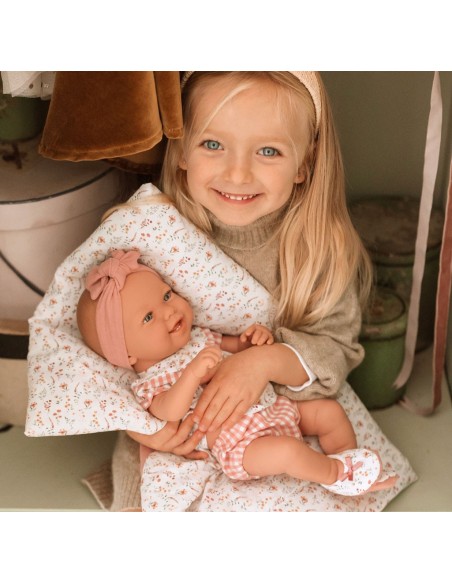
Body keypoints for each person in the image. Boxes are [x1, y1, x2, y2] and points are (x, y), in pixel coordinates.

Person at [95, 71, 386, 510]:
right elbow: (107, 356)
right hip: (182, 431)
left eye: (268, 151)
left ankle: (344, 480)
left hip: (281, 413)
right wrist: (145, 429)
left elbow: (336, 347)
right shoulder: (151, 236)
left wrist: (261, 362)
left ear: (305, 163)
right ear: (182, 152)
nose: (237, 173)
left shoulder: (317, 249)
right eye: (213, 144)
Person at [78, 250, 395, 495]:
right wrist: (190, 376)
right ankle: (334, 474)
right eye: (148, 317)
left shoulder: (199, 337)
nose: (169, 311)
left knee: (329, 411)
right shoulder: (150, 383)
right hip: (240, 445)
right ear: (127, 354)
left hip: (274, 407)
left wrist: (254, 340)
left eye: (166, 295)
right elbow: (168, 412)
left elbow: (238, 346)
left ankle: (346, 456)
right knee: (288, 453)